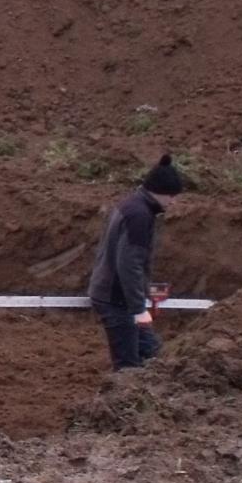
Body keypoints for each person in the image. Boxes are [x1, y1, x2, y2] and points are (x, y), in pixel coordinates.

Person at [86, 153, 186, 370]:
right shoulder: (139, 216)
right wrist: (138, 308)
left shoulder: (132, 205)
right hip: (116, 301)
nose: (173, 202)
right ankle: (122, 400)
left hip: (119, 298)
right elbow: (129, 264)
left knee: (152, 353)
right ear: (161, 192)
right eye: (172, 196)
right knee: (128, 366)